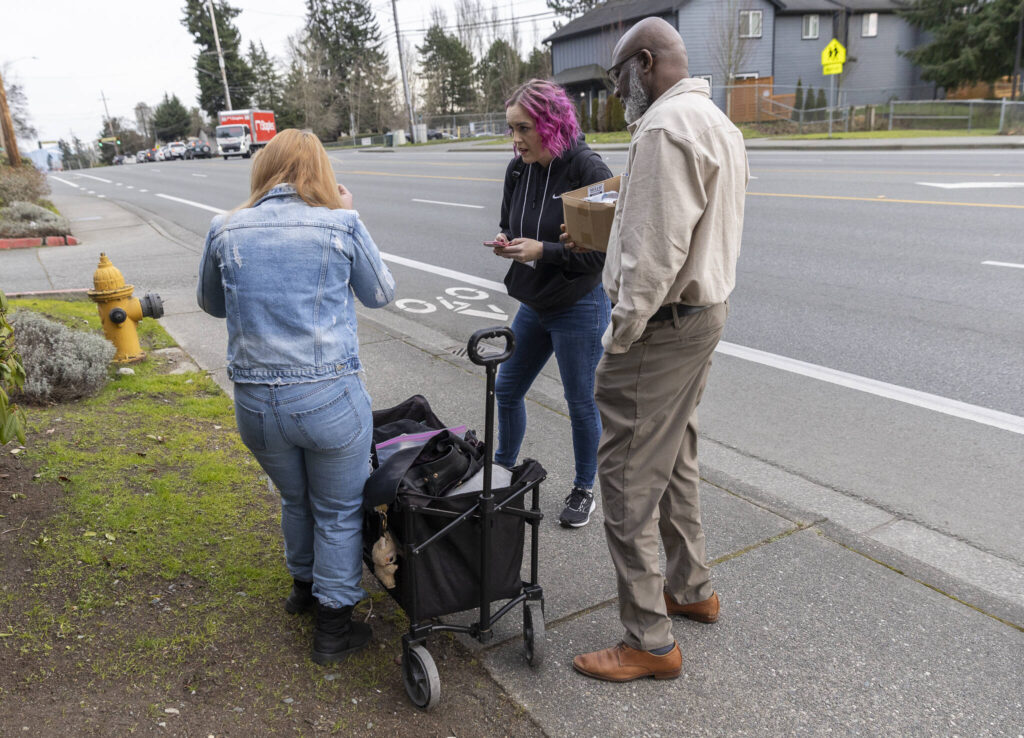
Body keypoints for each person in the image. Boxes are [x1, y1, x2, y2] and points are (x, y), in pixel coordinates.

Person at [566, 18, 749, 681]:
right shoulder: (715, 122)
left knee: (622, 478)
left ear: (644, 63)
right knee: (675, 456)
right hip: (705, 314)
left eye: (618, 78)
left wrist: (620, 336)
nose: (617, 93)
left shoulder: (665, 130)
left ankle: (648, 638)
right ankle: (692, 588)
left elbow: (653, 251)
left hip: (663, 323)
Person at [196, 129, 396, 665]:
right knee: (336, 509)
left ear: (264, 170)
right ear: (321, 172)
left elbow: (212, 305)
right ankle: (333, 629)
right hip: (328, 397)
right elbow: (380, 293)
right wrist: (352, 215)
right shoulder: (340, 223)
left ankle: (302, 590)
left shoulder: (226, 228)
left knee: (295, 498)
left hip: (256, 403)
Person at [490, 79, 613, 528]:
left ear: (550, 123)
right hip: (535, 301)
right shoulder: (518, 167)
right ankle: (501, 470)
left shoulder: (589, 170)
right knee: (506, 388)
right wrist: (507, 241)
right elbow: (510, 221)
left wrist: (545, 251)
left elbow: (602, 256)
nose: (516, 139)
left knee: (580, 401)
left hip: (579, 302)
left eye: (523, 128)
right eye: (511, 129)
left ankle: (584, 489)